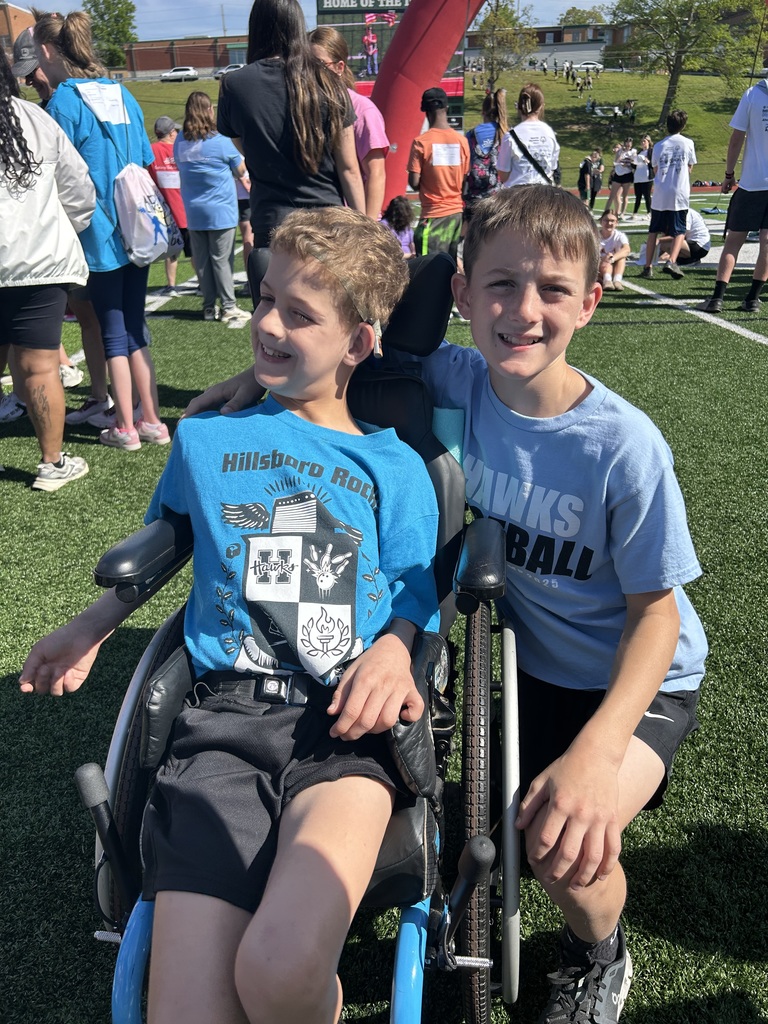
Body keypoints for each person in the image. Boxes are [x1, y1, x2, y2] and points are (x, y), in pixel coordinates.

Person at [186, 186, 708, 1024]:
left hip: (639, 681)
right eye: (499, 285)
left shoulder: (624, 446)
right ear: (463, 293)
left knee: (559, 840)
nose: (522, 311)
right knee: (501, 826)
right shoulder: (455, 377)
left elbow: (659, 615)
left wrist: (597, 754)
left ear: (591, 303)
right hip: (526, 667)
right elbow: (346, 346)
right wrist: (250, 375)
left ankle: (600, 953)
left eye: (551, 291)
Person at [19, 206, 440, 1024]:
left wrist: (395, 652)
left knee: (279, 975)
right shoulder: (205, 439)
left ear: (358, 343)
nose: (269, 323)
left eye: (300, 314)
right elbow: (167, 541)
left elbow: (418, 591)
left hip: (344, 732)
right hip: (220, 729)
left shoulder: (397, 464)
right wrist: (87, 628)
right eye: (266, 297)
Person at [34, 10, 169, 451]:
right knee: (134, 327)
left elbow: (56, 171)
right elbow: (144, 154)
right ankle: (151, 419)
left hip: (99, 229)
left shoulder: (63, 103)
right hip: (139, 225)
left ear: (49, 51)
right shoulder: (123, 93)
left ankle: (126, 426)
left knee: (113, 330)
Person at [0, 43, 94, 490]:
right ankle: (52, 463)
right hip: (40, 265)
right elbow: (78, 190)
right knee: (41, 367)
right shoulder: (36, 119)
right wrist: (67, 228)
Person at [11, 24, 111, 428]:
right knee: (112, 325)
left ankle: (103, 395)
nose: (30, 78)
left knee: (93, 321)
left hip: (80, 238)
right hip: (101, 234)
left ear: (50, 53)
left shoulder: (60, 106)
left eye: (33, 66)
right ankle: (113, 397)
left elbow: (70, 184)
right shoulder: (106, 93)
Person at [217, 0, 365, 255]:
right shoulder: (328, 80)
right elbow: (349, 168)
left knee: (274, 295)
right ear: (298, 26)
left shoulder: (234, 84)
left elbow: (243, 144)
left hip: (272, 225)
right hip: (329, 224)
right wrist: (364, 229)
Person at [174, 91, 251, 327]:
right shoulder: (220, 140)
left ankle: (209, 306)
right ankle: (228, 306)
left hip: (193, 210)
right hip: (220, 210)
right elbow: (241, 170)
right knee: (221, 260)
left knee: (203, 261)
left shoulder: (180, 141)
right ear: (209, 111)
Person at [698, 76, 768, 314]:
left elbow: (736, 138)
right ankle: (753, 299)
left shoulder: (752, 94)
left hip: (751, 183)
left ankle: (717, 298)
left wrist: (729, 174)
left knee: (733, 242)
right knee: (767, 245)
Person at [309, 26, 389, 219]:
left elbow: (376, 173)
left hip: (349, 225)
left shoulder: (362, 109)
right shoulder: (304, 109)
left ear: (339, 67)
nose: (308, 73)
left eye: (318, 65)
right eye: (304, 65)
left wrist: (366, 228)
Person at [407, 86, 469, 260]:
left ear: (426, 111)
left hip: (433, 215)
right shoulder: (461, 141)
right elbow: (464, 179)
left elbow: (414, 182)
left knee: (427, 269)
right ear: (446, 108)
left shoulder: (421, 142)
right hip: (456, 214)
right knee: (451, 268)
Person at [639, 110, 696, 281]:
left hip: (661, 193)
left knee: (653, 231)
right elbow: (690, 167)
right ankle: (672, 261)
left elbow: (655, 169)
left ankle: (648, 266)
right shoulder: (688, 143)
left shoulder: (659, 145)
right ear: (683, 125)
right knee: (679, 231)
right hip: (679, 192)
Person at [149, 115, 192, 297]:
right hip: (186, 210)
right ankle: (202, 284)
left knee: (171, 252)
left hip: (164, 212)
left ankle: (171, 285)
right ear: (171, 133)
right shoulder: (180, 149)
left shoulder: (151, 151)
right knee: (195, 252)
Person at [496, 83, 560, 188]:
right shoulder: (549, 133)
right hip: (544, 194)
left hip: (517, 195)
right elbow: (552, 167)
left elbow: (503, 175)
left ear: (519, 106)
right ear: (540, 107)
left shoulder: (510, 136)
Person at [463, 88, 507, 219]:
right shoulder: (505, 133)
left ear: (483, 112)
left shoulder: (470, 135)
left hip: (475, 198)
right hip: (499, 198)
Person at [598, 210, 631, 290]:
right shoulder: (594, 235)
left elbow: (627, 249)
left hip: (613, 265)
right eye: (606, 220)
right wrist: (604, 258)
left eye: (612, 221)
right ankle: (607, 280)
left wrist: (612, 258)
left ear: (617, 223)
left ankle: (617, 280)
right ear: (601, 222)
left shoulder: (619, 235)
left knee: (621, 257)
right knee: (605, 259)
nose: (609, 223)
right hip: (598, 266)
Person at [605, 138, 635, 220]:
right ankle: (605, 212)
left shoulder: (633, 152)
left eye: (630, 143)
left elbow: (634, 162)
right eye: (627, 143)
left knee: (625, 195)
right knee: (612, 195)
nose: (628, 145)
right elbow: (616, 162)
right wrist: (621, 155)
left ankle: (622, 213)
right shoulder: (620, 151)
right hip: (618, 174)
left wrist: (628, 164)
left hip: (627, 175)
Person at [630, 134, 653, 218]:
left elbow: (654, 164)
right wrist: (631, 162)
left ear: (648, 142)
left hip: (646, 177)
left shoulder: (651, 151)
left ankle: (649, 212)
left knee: (647, 196)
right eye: (642, 141)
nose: (643, 143)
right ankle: (634, 213)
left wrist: (647, 161)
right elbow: (635, 165)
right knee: (638, 196)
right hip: (638, 177)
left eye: (644, 141)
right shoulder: (639, 152)